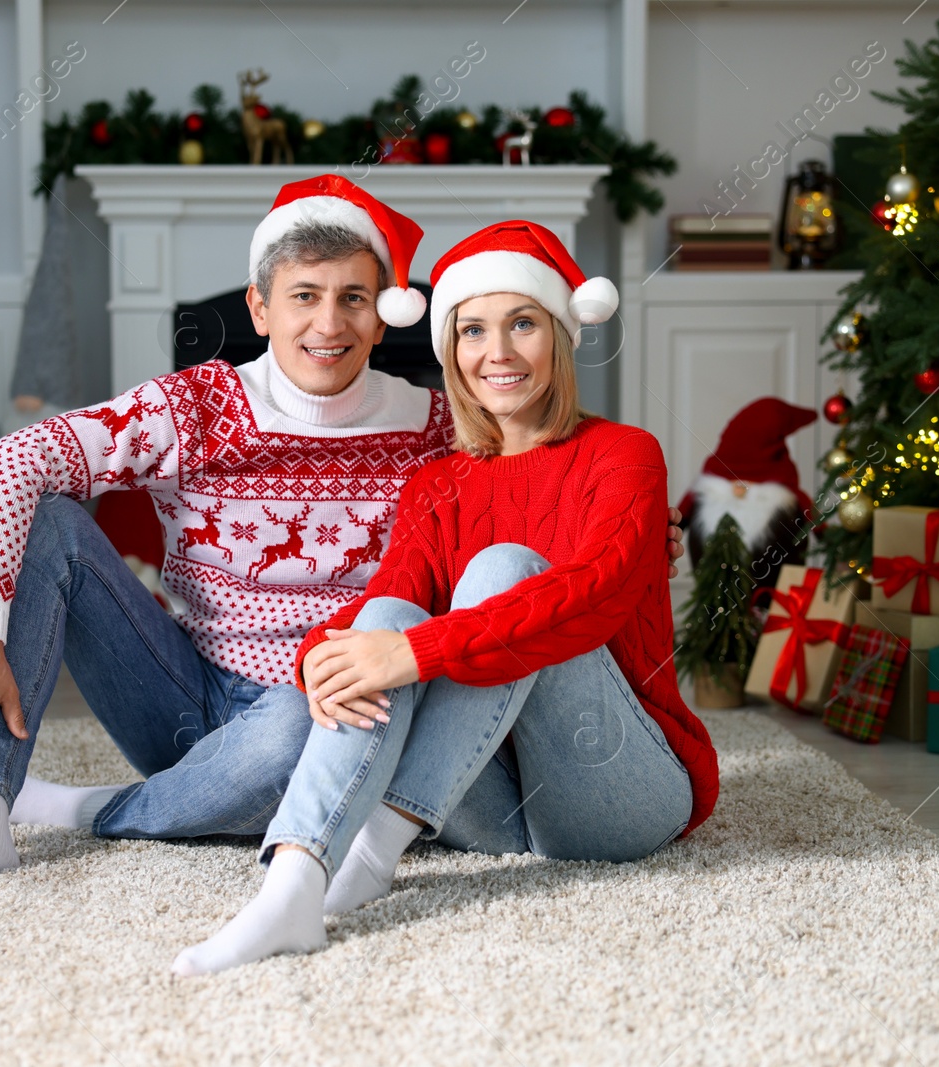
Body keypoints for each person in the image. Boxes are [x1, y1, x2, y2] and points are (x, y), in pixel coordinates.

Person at [0, 176, 691, 909]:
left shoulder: (439, 427)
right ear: (259, 307)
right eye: (303, 296)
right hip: (184, 695)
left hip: (342, 708)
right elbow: (1, 463)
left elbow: (516, 520)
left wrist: (638, 532)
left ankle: (111, 809)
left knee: (308, 722)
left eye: (354, 298)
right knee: (46, 519)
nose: (327, 323)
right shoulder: (193, 405)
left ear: (385, 314)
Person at [172, 221, 719, 976]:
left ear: (559, 333)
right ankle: (295, 880)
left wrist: (413, 650)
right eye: (472, 330)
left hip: (619, 793)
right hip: (484, 808)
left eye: (522, 323)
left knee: (502, 573)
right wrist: (319, 658)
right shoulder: (438, 483)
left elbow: (595, 590)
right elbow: (389, 605)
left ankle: (375, 848)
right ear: (451, 350)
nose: (497, 352)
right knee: (388, 617)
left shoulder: (623, 453)